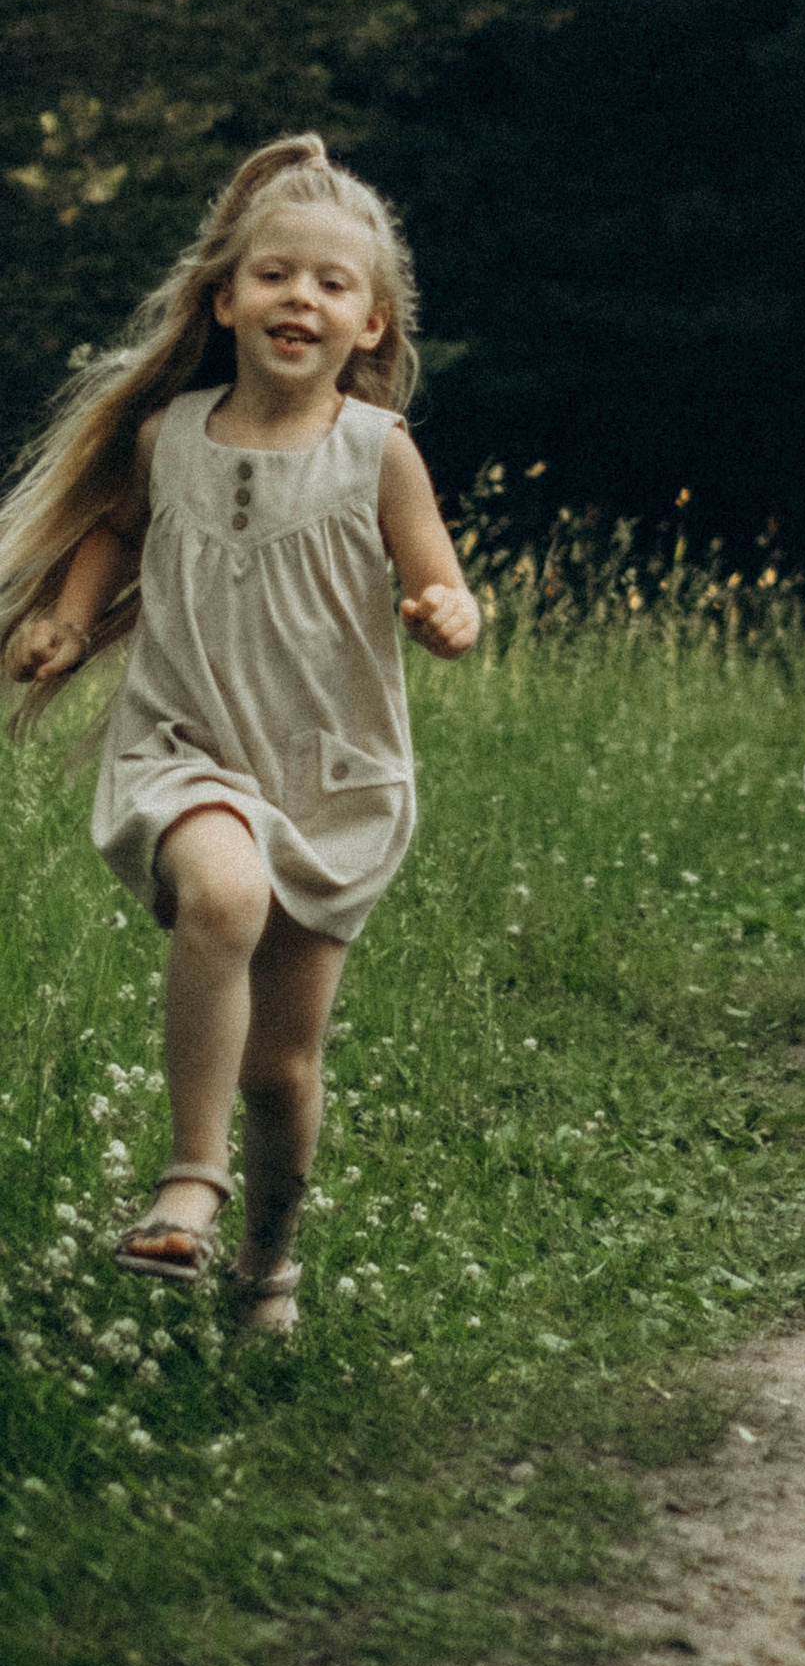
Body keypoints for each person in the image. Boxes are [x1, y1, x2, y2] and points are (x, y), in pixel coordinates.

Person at [0, 136, 480, 1338]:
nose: (299, 299)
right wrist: (64, 617)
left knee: (285, 1071)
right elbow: (111, 529)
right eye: (275, 276)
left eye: (329, 284)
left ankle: (267, 1264)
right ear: (224, 299)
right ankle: (189, 1185)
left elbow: (443, 586)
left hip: (329, 777)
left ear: (371, 322)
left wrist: (446, 614)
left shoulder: (381, 453)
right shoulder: (171, 435)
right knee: (221, 894)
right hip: (187, 745)